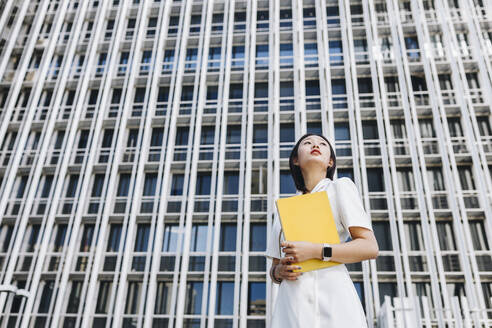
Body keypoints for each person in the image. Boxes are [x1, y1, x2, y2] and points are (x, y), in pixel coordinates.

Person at [265, 133, 379, 327]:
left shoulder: (340, 188)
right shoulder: (283, 210)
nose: (315, 145)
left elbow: (370, 247)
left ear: (330, 161)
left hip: (333, 300)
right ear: (295, 160)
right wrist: (280, 272)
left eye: (322, 144)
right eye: (307, 143)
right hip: (292, 305)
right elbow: (274, 269)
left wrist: (317, 251)